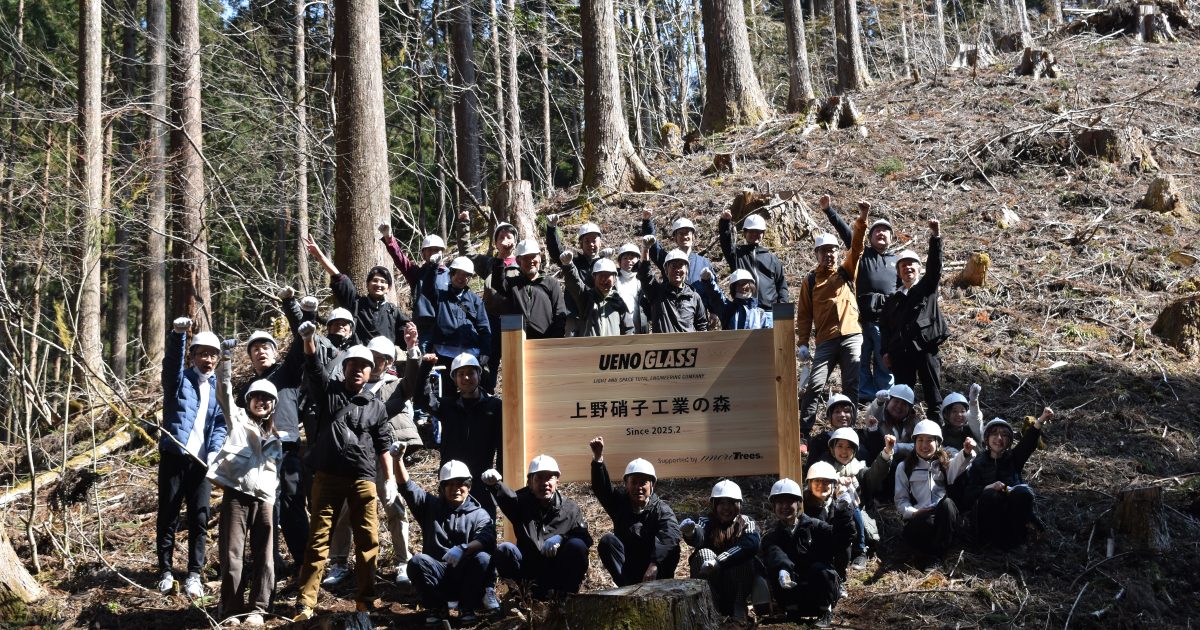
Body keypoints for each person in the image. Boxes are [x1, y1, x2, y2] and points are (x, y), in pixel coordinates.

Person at [293, 326, 396, 620]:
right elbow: (312, 367)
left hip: (363, 479)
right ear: (345, 367)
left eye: (364, 366)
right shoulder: (329, 392)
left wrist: (388, 479)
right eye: (354, 365)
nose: (359, 370)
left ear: (370, 371)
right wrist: (308, 339)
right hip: (327, 477)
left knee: (368, 541)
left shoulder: (376, 406)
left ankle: (366, 600)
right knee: (318, 539)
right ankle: (306, 602)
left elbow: (383, 444)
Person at [325, 331, 423, 586]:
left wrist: (413, 352)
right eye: (373, 356)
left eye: (381, 358)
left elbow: (412, 383)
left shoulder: (395, 385)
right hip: (354, 458)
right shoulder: (349, 383)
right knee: (345, 509)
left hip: (386, 456)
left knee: (394, 507)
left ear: (390, 362)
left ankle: (403, 561)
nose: (376, 361)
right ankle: (338, 562)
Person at [209, 339, 282, 626]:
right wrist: (226, 359)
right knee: (232, 555)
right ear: (248, 401)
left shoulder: (277, 437)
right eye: (256, 398)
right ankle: (231, 610)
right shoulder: (237, 420)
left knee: (265, 556)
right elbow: (223, 391)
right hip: (237, 495)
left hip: (264, 499)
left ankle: (259, 608)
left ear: (272, 405)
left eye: (266, 399)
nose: (261, 402)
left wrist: (273, 498)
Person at [156, 317, 228, 597]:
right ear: (194, 356)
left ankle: (194, 574)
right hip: (175, 457)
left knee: (200, 518)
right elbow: (171, 364)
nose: (208, 359)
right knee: (168, 515)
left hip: (201, 464)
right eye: (202, 354)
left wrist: (213, 451)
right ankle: (165, 571)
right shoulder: (179, 381)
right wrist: (178, 334)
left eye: (212, 354)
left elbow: (221, 424)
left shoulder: (218, 389)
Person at [797, 200, 869, 439]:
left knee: (852, 385)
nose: (829, 254)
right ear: (817, 254)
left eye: (832, 250)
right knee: (815, 385)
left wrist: (862, 219)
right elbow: (805, 314)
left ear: (838, 252)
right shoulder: (810, 281)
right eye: (823, 251)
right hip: (826, 340)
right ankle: (804, 434)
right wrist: (803, 343)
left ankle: (851, 432)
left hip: (851, 335)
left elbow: (857, 248)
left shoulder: (846, 271)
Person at [400, 458, 497, 625]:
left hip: (466, 577)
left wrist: (464, 548)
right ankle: (437, 608)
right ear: (442, 487)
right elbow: (407, 487)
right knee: (417, 562)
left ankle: (467, 607)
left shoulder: (479, 514)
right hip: (439, 575)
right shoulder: (430, 506)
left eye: (460, 483)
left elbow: (486, 537)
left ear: (469, 486)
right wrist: (397, 460)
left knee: (483, 559)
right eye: (450, 484)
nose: (456, 489)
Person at [822, 196, 899, 402]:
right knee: (862, 358)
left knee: (885, 360)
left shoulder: (898, 261)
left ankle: (885, 396)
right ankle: (865, 395)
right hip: (862, 318)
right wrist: (829, 210)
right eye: (876, 231)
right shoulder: (862, 254)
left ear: (891, 238)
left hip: (887, 321)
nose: (881, 233)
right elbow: (848, 234)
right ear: (870, 236)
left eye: (885, 231)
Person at [482, 455, 592, 597]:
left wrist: (562, 538)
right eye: (539, 478)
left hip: (559, 575)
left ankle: (567, 600)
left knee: (577, 545)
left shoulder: (570, 508)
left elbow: (585, 538)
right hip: (529, 572)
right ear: (529, 482)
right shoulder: (520, 503)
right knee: (505, 550)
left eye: (549, 478)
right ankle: (521, 599)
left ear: (557, 481)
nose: (544, 483)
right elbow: (507, 498)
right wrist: (495, 484)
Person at [589, 436, 681, 586]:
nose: (638, 487)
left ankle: (657, 589)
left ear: (652, 485)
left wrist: (655, 563)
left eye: (643, 482)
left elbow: (671, 534)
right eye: (634, 482)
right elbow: (602, 489)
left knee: (672, 549)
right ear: (626, 484)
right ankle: (627, 589)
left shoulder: (662, 510)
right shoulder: (620, 504)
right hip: (629, 570)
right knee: (607, 542)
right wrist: (598, 459)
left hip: (655, 572)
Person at [881, 220, 948, 423]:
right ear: (898, 272)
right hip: (901, 353)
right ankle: (902, 430)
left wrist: (936, 237)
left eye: (911, 265)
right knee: (902, 395)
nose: (907, 268)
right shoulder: (892, 300)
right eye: (903, 266)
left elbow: (935, 267)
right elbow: (885, 328)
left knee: (932, 393)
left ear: (919, 269)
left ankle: (936, 429)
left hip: (925, 348)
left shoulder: (927, 288)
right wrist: (885, 352)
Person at [964, 408, 1053, 550]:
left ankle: (1016, 541)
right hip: (988, 518)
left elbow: (1027, 444)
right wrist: (988, 488)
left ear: (1009, 441)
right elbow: (969, 495)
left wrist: (1040, 420)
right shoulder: (978, 463)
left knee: (1023, 494)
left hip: (1011, 514)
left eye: (1004, 435)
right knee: (991, 495)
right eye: (994, 434)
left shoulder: (1013, 458)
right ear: (986, 439)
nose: (999, 439)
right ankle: (991, 543)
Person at [429, 353, 503, 521]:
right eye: (461, 374)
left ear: (479, 374)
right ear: (454, 379)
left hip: (483, 479)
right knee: (449, 526)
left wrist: (499, 478)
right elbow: (421, 398)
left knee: (485, 527)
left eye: (471, 372)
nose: (466, 377)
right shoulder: (447, 406)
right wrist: (425, 366)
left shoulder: (495, 406)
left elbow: (502, 444)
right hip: (451, 480)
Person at [305, 233, 412, 346]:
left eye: (383, 282)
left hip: (384, 360)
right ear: (367, 284)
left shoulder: (393, 311)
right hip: (358, 359)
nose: (378, 284)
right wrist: (318, 254)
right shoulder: (356, 303)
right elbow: (337, 276)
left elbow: (407, 335)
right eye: (375, 280)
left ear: (388, 288)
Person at [454, 212, 519, 388]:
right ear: (495, 243)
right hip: (491, 319)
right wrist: (464, 224)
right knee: (489, 361)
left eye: (509, 236)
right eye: (501, 237)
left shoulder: (521, 263)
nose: (505, 240)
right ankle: (488, 399)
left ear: (515, 241)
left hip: (515, 321)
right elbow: (467, 252)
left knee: (515, 364)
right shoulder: (488, 263)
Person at [894, 420, 974, 564]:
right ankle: (921, 554)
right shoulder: (904, 467)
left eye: (929, 440)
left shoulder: (945, 463)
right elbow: (901, 500)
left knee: (948, 504)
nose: (924, 445)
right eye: (920, 440)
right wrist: (913, 512)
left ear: (938, 443)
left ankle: (936, 557)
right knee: (925, 523)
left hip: (945, 516)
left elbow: (960, 464)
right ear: (914, 442)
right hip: (920, 518)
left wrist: (966, 451)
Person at [762, 478, 839, 627]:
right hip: (792, 597)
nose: (785, 506)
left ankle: (825, 611)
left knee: (821, 569)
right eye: (780, 502)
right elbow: (774, 553)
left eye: (789, 502)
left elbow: (839, 538)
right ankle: (792, 612)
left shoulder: (815, 526)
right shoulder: (771, 536)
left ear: (798, 504)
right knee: (777, 570)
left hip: (819, 593)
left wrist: (843, 511)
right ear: (774, 506)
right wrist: (783, 569)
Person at [680, 480, 759, 621]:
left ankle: (739, 607)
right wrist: (691, 534)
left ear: (739, 504)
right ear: (714, 505)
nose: (726, 508)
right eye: (721, 503)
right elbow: (700, 535)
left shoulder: (747, 522)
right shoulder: (706, 521)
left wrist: (718, 561)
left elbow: (751, 544)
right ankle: (709, 608)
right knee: (704, 554)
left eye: (730, 503)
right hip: (712, 586)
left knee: (746, 558)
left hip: (736, 587)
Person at [819, 429, 892, 570]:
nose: (844, 451)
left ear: (855, 451)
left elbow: (876, 473)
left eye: (849, 447)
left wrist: (886, 453)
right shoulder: (823, 469)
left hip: (856, 517)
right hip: (830, 514)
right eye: (840, 446)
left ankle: (860, 552)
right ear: (832, 448)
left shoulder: (859, 470)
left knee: (854, 510)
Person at [420, 255, 492, 372]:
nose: (461, 278)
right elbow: (426, 288)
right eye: (458, 273)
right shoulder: (439, 295)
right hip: (444, 353)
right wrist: (433, 267)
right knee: (447, 389)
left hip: (471, 355)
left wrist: (485, 351)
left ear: (469, 278)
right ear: (451, 274)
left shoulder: (475, 300)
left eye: (466, 275)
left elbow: (484, 327)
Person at [718, 210, 789, 321]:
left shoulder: (772, 259)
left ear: (763, 234)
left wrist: (783, 317)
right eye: (751, 232)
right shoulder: (737, 255)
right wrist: (724, 222)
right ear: (745, 233)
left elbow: (782, 287)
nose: (754, 235)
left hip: (769, 313)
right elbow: (726, 243)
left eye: (758, 232)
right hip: (745, 311)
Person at [547, 215, 611, 336]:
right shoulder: (574, 262)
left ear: (600, 242)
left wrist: (607, 262)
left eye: (594, 240)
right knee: (572, 352)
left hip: (598, 316)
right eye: (587, 241)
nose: (591, 244)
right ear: (581, 244)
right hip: (574, 317)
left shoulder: (604, 265)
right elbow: (556, 252)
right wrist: (551, 229)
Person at [496, 239, 568, 339]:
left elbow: (560, 314)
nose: (530, 261)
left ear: (539, 258)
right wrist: (502, 253)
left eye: (533, 256)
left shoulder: (551, 283)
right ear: (518, 261)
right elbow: (496, 281)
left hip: (545, 341)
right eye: (525, 258)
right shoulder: (511, 284)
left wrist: (554, 340)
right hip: (517, 342)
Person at [640, 210, 715, 304]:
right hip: (672, 309)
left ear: (693, 237)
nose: (685, 236)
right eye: (681, 233)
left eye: (687, 233)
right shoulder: (668, 259)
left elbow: (712, 288)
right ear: (675, 238)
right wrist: (647, 222)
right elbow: (653, 246)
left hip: (698, 312)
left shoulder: (704, 262)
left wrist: (713, 310)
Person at [802, 462, 858, 587]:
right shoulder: (803, 506)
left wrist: (844, 508)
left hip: (833, 548)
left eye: (826, 482)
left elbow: (850, 532)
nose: (822, 485)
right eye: (817, 481)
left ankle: (839, 579)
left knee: (845, 543)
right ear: (809, 484)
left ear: (833, 485)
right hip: (812, 553)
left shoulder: (837, 504)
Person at [378, 224, 450, 317]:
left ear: (442, 252)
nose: (433, 253)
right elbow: (400, 259)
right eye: (429, 250)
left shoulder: (450, 274)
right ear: (423, 254)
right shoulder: (417, 274)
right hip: (423, 325)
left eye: (436, 250)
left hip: (446, 324)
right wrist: (389, 238)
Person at [638, 246, 709, 333]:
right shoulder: (656, 292)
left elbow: (701, 326)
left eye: (681, 266)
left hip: (689, 346)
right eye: (673, 266)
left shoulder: (694, 297)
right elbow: (644, 274)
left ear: (686, 270)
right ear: (666, 270)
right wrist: (645, 249)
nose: (677, 270)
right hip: (663, 346)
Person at [560, 256, 631, 336]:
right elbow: (575, 284)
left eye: (608, 275)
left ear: (614, 278)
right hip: (589, 347)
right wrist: (569, 266)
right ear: (594, 277)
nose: (604, 279)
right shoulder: (587, 297)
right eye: (601, 275)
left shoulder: (618, 302)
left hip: (612, 347)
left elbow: (629, 328)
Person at [805, 394, 868, 472]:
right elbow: (811, 469)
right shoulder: (820, 441)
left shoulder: (861, 435)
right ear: (829, 416)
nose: (842, 415)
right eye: (837, 412)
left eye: (847, 411)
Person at [862, 384, 920, 463]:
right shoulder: (881, 415)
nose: (899, 406)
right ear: (888, 402)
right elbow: (872, 417)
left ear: (909, 409)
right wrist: (879, 403)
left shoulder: (915, 422)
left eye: (904, 404)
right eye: (896, 401)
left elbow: (920, 445)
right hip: (880, 462)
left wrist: (898, 448)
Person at [699, 268, 771, 330]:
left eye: (745, 283)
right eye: (738, 284)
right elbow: (716, 296)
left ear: (751, 285)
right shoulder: (728, 309)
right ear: (734, 288)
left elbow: (766, 334)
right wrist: (708, 281)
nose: (743, 287)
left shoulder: (760, 313)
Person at [614, 243, 649, 334]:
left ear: (638, 260)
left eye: (632, 258)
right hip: (619, 329)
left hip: (640, 329)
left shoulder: (642, 281)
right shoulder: (614, 280)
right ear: (619, 262)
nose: (629, 261)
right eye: (625, 258)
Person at [940, 383, 983, 454]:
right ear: (945, 415)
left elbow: (975, 418)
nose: (959, 415)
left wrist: (973, 402)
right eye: (954, 411)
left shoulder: (972, 430)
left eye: (963, 411)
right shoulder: (941, 433)